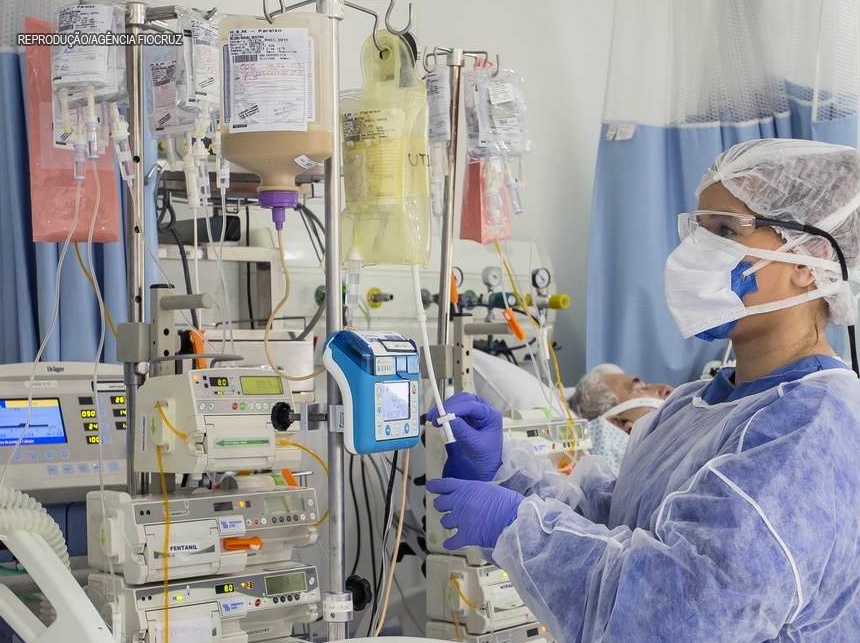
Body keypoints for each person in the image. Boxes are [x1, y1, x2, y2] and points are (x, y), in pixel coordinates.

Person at [426, 139, 860, 642]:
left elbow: (684, 615)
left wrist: (515, 525)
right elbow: (621, 527)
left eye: (725, 230)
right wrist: (507, 479)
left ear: (809, 259)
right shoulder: (693, 406)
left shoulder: (811, 427)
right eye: (699, 230)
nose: (695, 253)